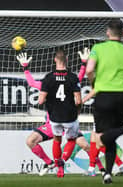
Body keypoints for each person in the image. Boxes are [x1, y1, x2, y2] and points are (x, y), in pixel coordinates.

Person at [17, 48, 88, 176]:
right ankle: (51, 163)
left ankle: (96, 168)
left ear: (54, 60)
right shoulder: (72, 78)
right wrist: (83, 63)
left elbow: (32, 83)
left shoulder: (48, 80)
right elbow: (80, 80)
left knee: (80, 144)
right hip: (68, 119)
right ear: (66, 60)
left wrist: (25, 67)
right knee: (31, 141)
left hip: (55, 120)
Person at [86, 19, 123, 184]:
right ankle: (107, 173)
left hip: (103, 96)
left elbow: (90, 69)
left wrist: (93, 82)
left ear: (107, 32)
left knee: (101, 138)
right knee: (109, 138)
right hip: (122, 97)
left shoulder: (98, 48)